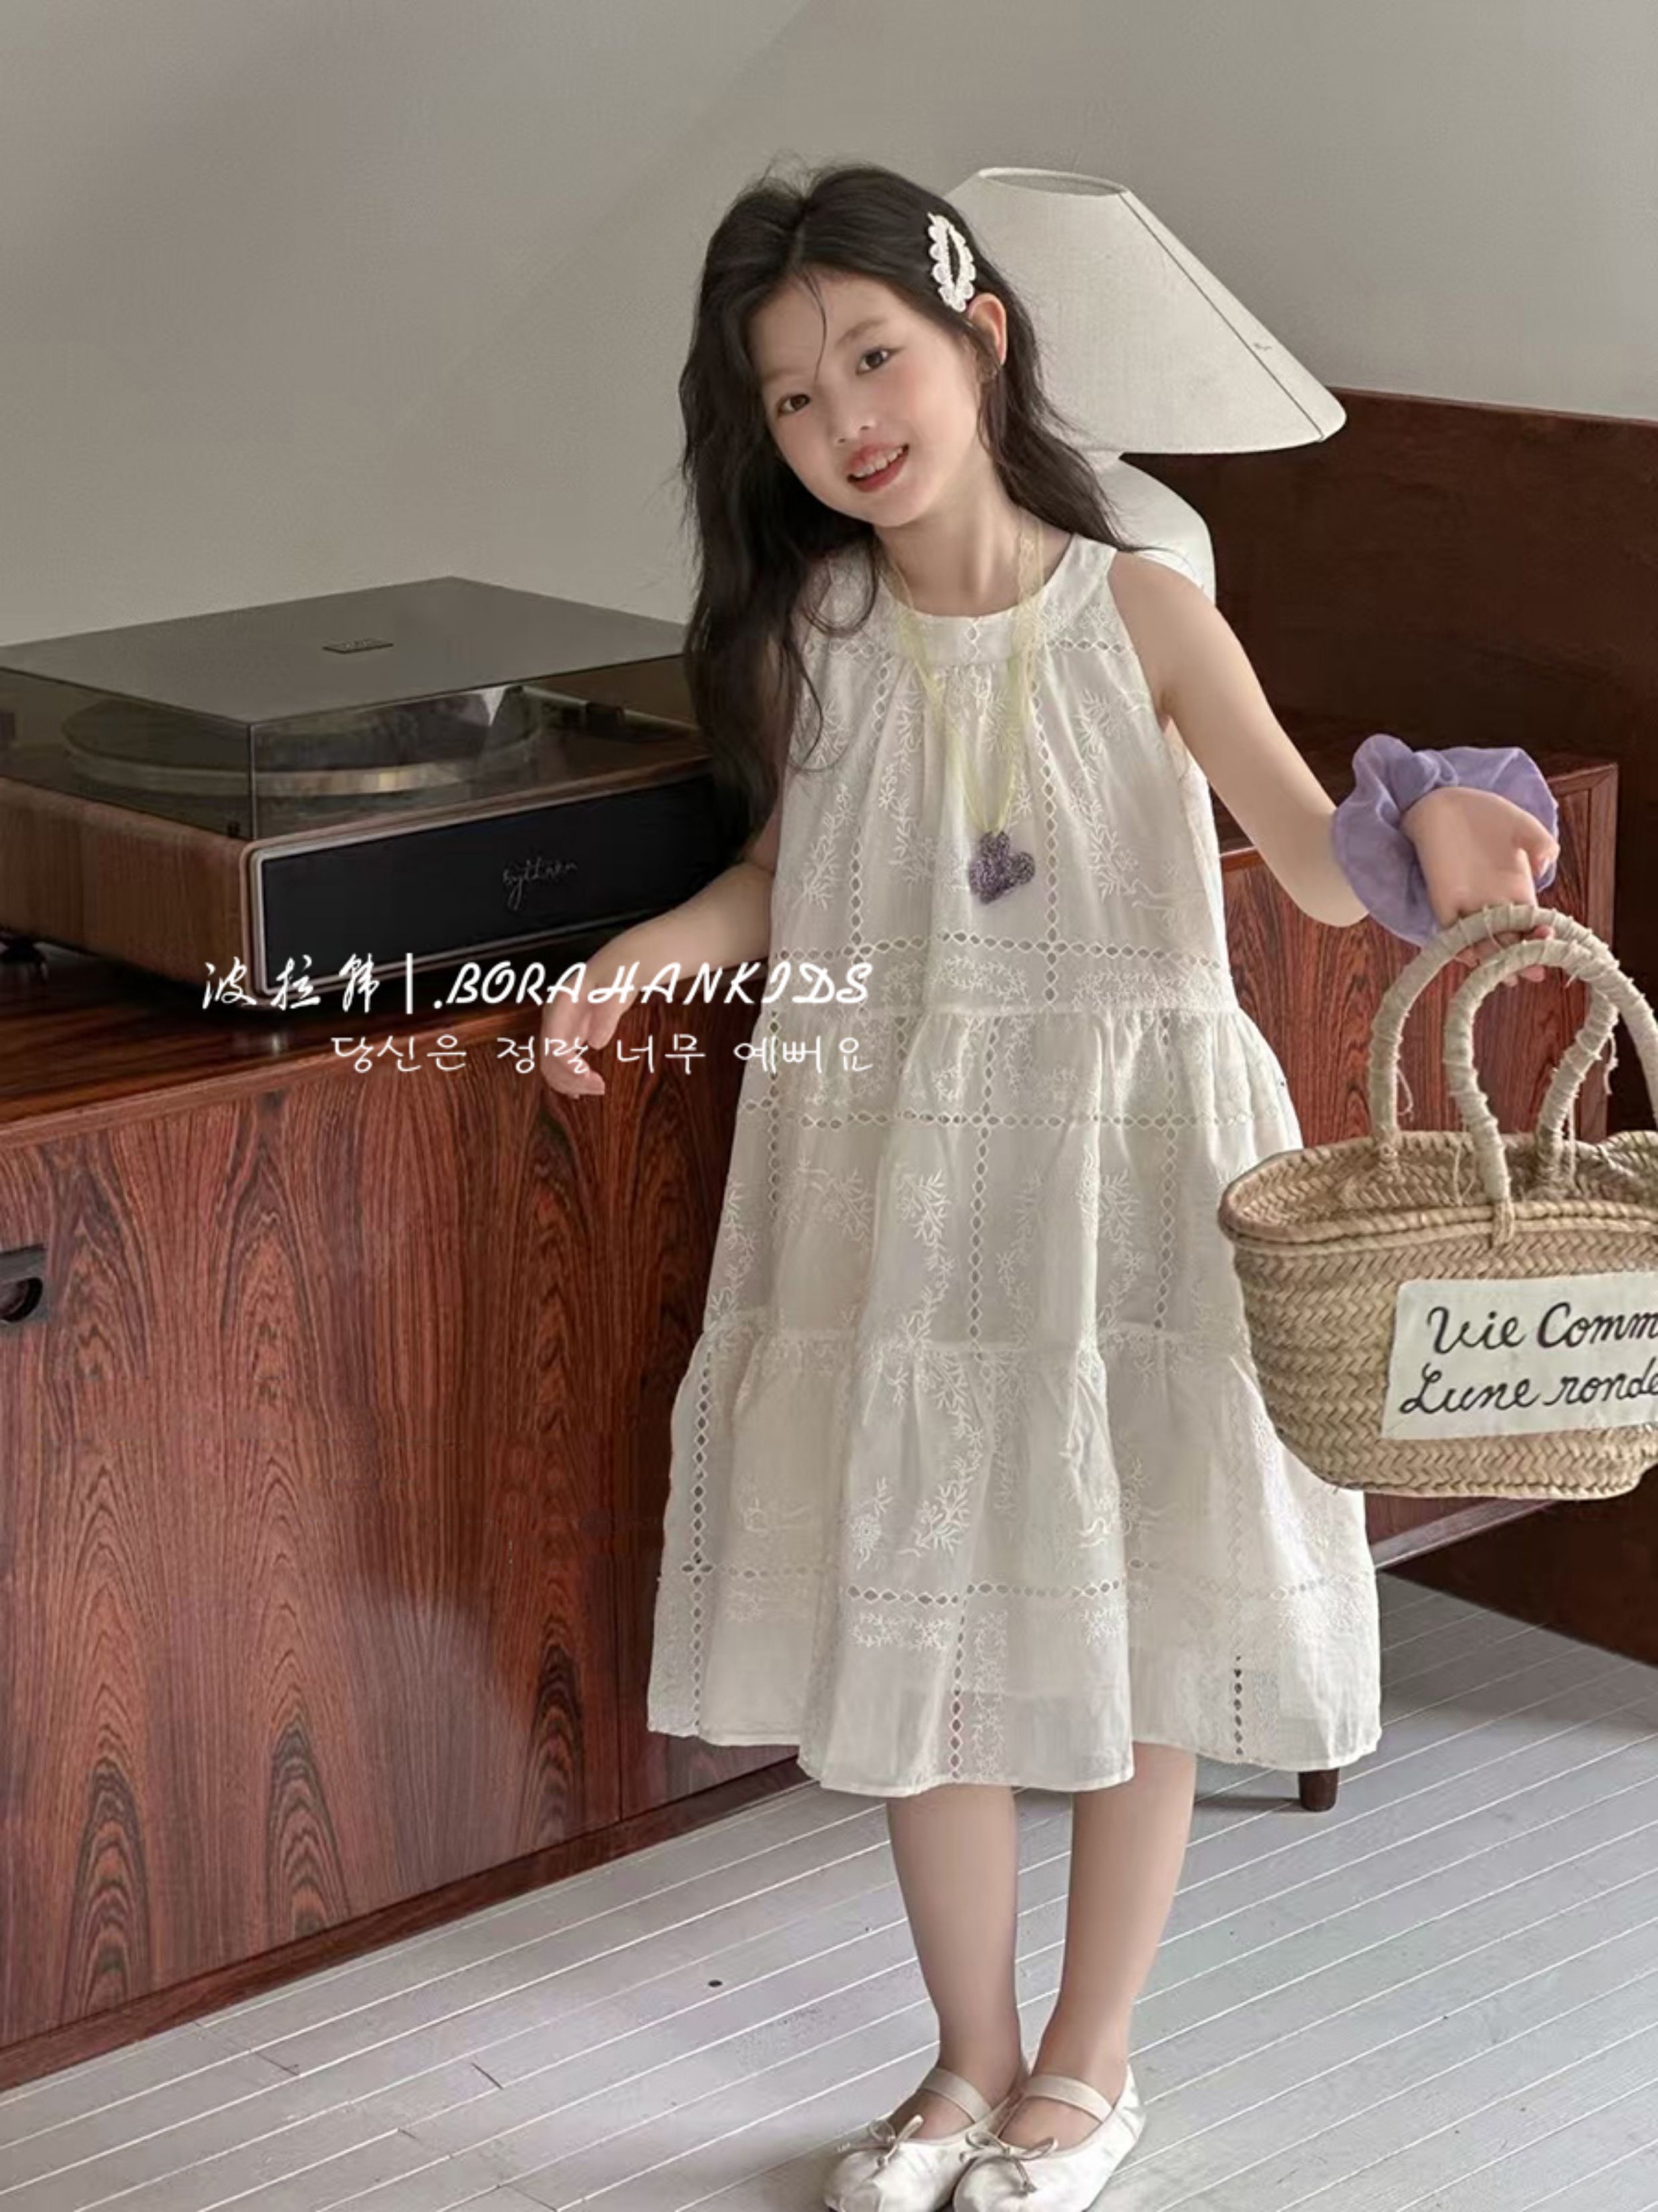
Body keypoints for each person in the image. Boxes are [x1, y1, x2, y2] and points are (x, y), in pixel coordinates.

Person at [537, 160, 1560, 2212]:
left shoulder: (1145, 605)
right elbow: (784, 874)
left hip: (1130, 1158)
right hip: (893, 1170)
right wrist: (648, 951)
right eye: (794, 397)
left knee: (1140, 1583)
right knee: (923, 1596)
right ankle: (963, 2060)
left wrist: (1442, 826)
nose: (845, 420)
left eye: (874, 357)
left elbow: (1306, 849)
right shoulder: (812, 637)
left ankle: (1089, 2065)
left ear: (980, 336)